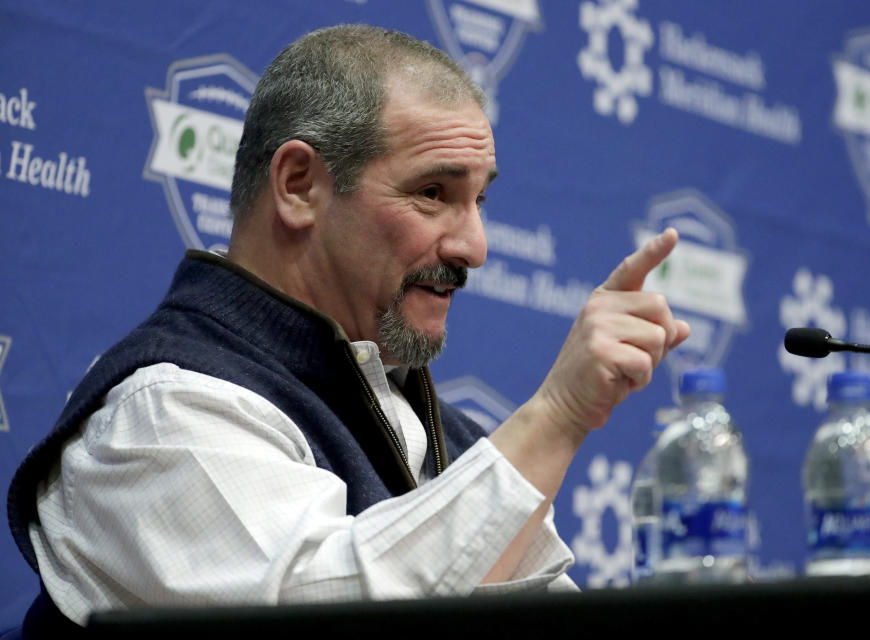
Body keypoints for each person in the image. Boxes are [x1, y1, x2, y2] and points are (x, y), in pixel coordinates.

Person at [7, 24, 690, 632]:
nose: (475, 246)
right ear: (299, 184)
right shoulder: (162, 411)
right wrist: (560, 414)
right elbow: (328, 615)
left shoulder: (449, 438)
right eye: (433, 193)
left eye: (479, 200)